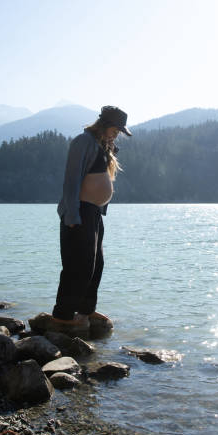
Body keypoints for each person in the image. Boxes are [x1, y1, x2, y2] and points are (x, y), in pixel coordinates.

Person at [52, 105, 132, 329]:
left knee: (96, 264)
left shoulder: (101, 146)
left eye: (119, 131)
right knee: (79, 264)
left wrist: (109, 149)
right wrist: (72, 214)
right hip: (79, 210)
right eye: (115, 129)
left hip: (94, 212)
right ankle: (62, 315)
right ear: (105, 124)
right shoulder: (83, 141)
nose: (117, 134)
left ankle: (86, 309)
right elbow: (71, 180)